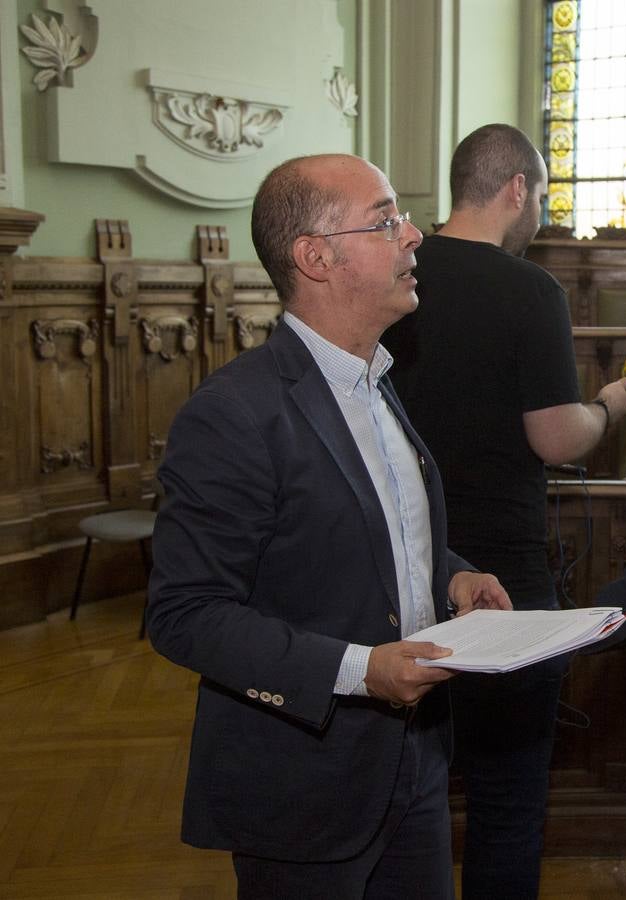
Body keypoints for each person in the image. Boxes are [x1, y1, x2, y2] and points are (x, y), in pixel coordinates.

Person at [146, 153, 512, 900]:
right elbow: (186, 615)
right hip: (303, 780)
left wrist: (452, 574)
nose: (414, 234)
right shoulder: (234, 413)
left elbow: (379, 533)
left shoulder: (377, 379)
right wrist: (361, 671)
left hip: (414, 759)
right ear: (315, 257)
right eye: (385, 220)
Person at [380, 124, 626, 900]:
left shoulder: (396, 276)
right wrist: (608, 407)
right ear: (517, 188)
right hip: (504, 580)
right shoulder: (530, 291)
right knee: (507, 800)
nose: (541, 214)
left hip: (404, 567)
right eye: (544, 195)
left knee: (403, 793)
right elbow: (555, 436)